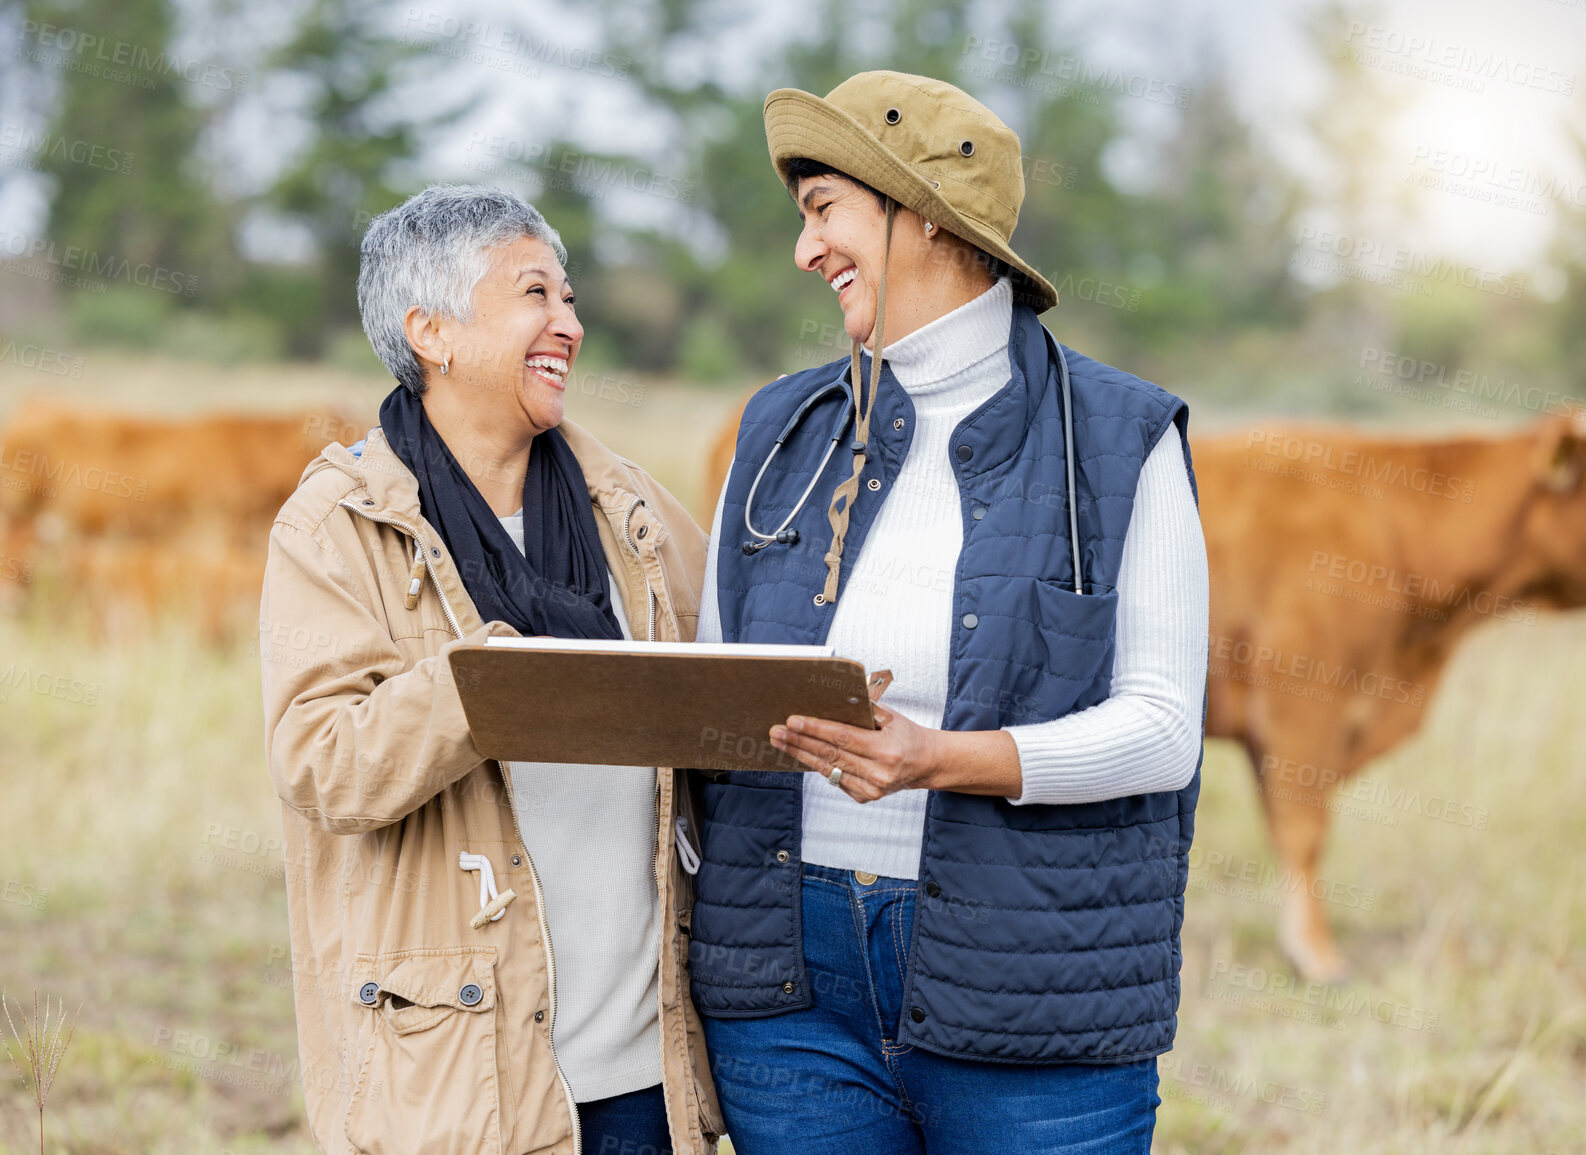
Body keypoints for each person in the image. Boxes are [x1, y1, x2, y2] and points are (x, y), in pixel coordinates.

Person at [690, 72, 1209, 1153]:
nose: (806, 250)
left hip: (1030, 992)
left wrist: (940, 758)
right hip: (788, 994)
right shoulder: (780, 428)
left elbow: (1162, 731)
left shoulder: (1122, 438)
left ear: (919, 210)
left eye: (825, 209)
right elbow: (714, 685)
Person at [259, 185, 722, 1155]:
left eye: (570, 297)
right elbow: (324, 764)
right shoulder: (338, 529)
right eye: (536, 295)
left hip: (646, 1074)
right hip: (458, 1086)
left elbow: (723, 688)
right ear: (431, 332)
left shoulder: (626, 507)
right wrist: (486, 684)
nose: (570, 324)